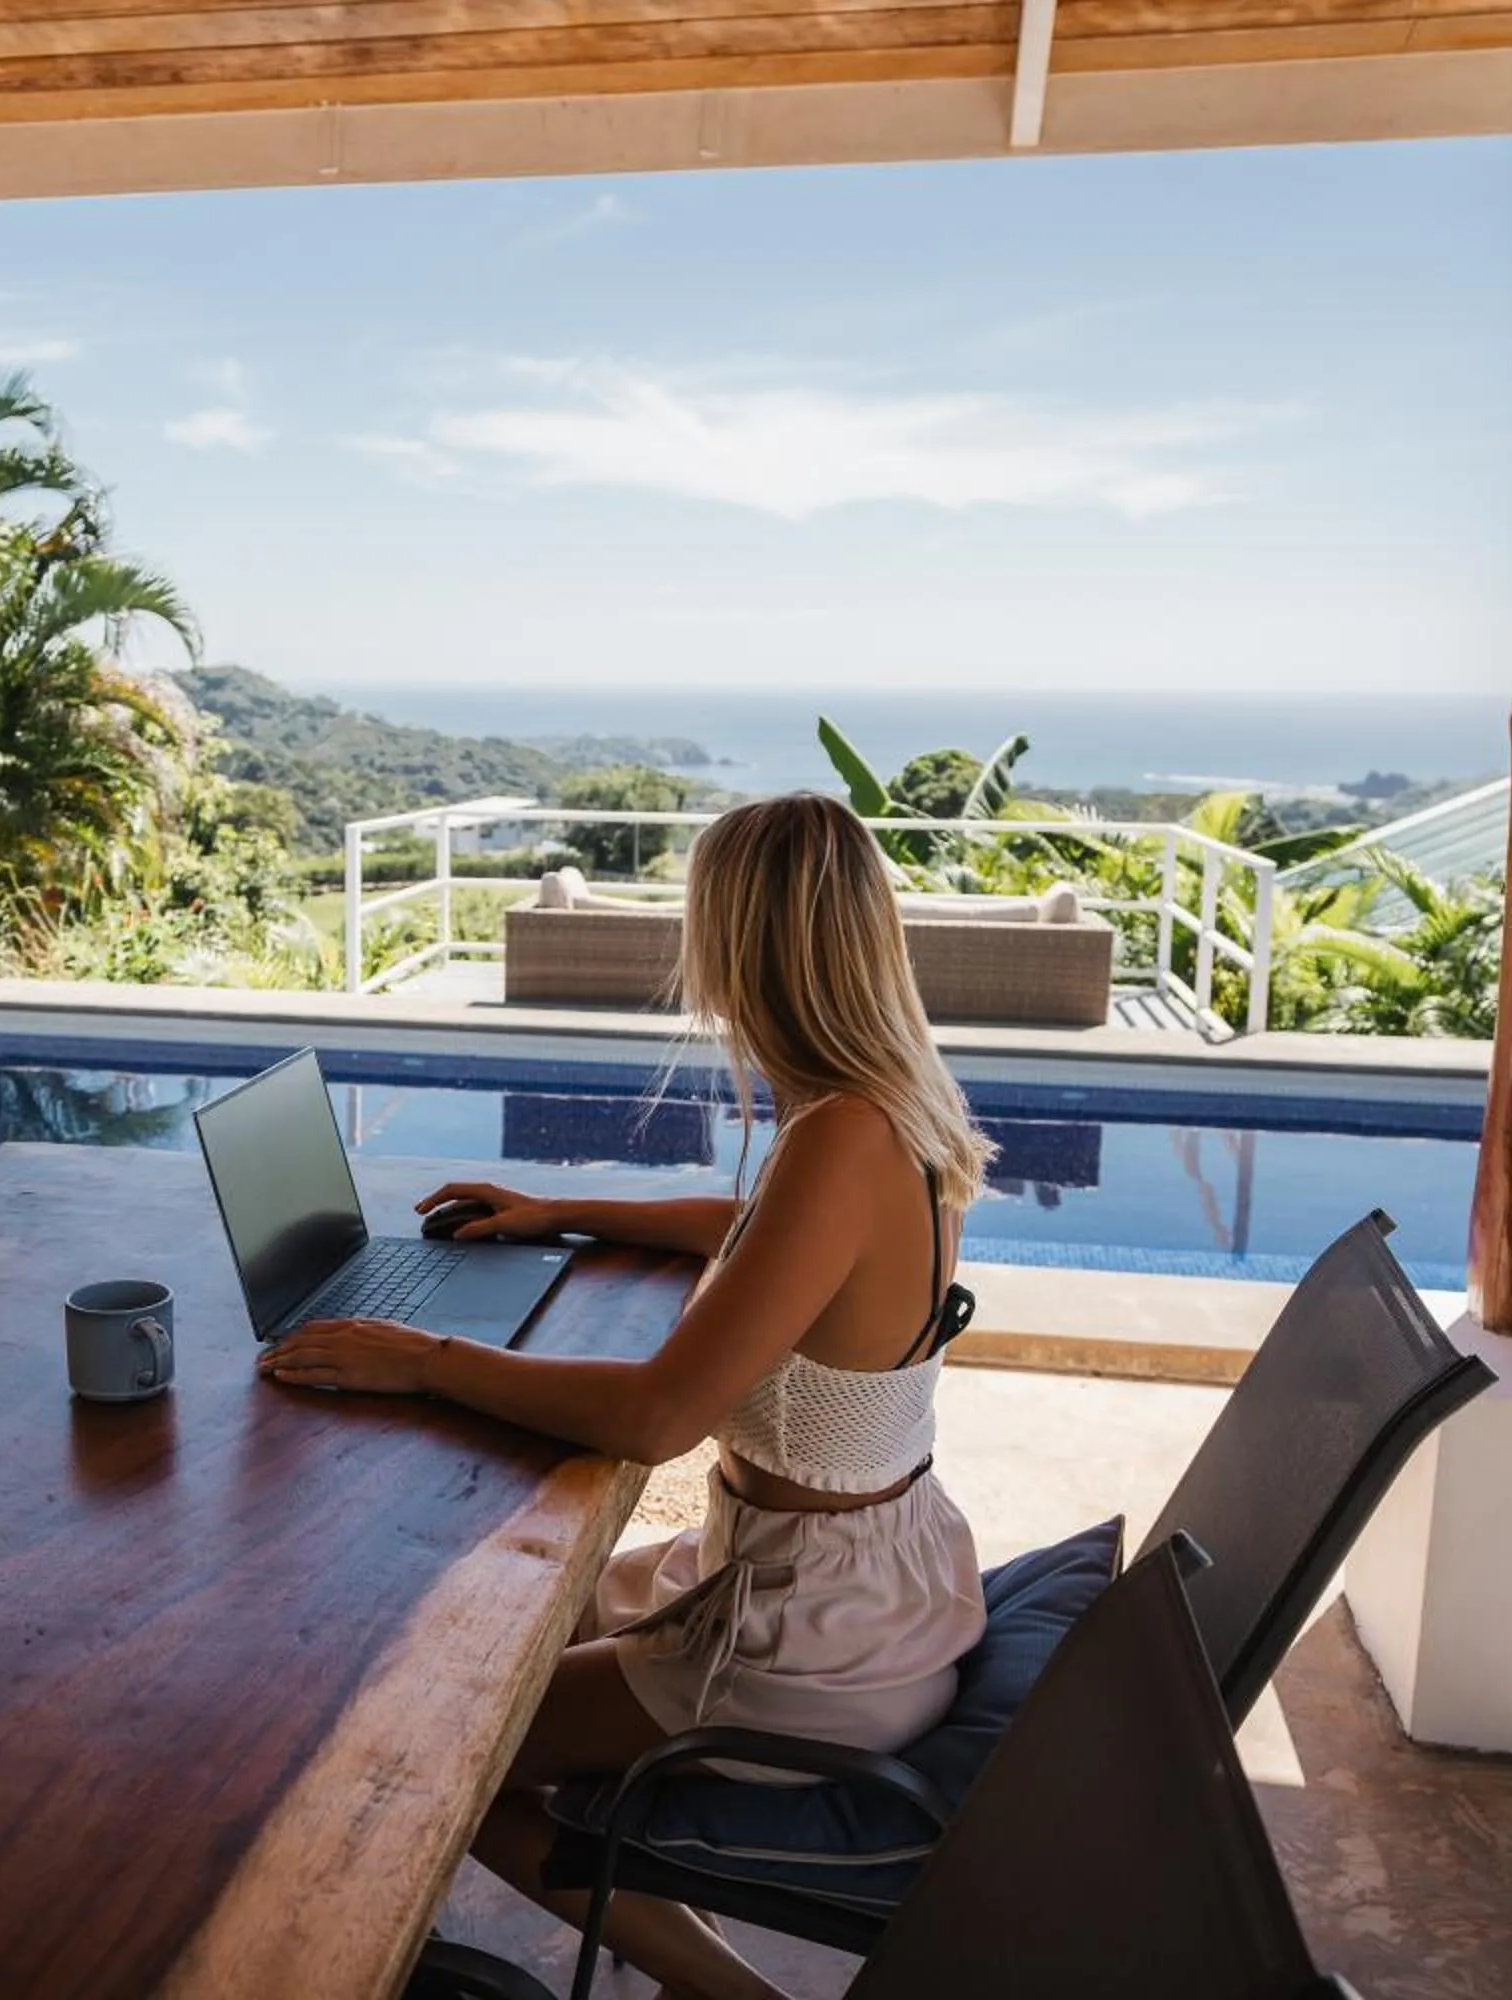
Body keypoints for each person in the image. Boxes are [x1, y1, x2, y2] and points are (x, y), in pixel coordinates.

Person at [258, 793, 991, 2000]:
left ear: (742, 943)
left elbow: (658, 1417)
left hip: (809, 1637)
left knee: (438, 1749)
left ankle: (733, 1994)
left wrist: (426, 1359)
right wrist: (568, 1209)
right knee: (499, 1619)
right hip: (869, 1581)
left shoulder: (839, 1132)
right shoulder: (890, 1105)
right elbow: (759, 1234)